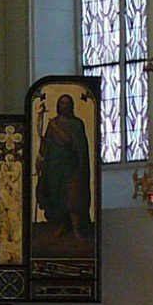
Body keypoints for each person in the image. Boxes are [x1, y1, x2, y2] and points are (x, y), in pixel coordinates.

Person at [36, 93, 92, 239]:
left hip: (71, 167)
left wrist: (56, 127)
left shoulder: (76, 124)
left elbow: (73, 143)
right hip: (54, 167)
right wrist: (40, 158)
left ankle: (76, 230)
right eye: (61, 103)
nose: (64, 106)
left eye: (67, 103)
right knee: (57, 197)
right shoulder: (52, 123)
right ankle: (61, 225)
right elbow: (46, 143)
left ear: (71, 106)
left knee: (72, 199)